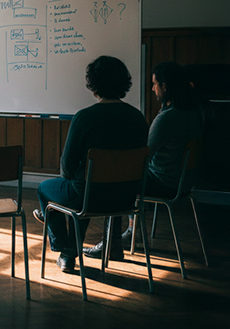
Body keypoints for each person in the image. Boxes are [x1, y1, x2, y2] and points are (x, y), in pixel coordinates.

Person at [33, 56, 148, 271]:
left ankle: (66, 250)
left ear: (93, 84)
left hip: (87, 197)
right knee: (85, 187)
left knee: (45, 190)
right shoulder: (138, 118)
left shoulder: (85, 117)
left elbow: (66, 168)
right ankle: (68, 251)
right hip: (126, 199)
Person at [81, 60, 203, 259]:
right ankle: (130, 230)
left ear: (165, 86)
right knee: (127, 176)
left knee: (116, 180)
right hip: (184, 182)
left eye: (155, 84)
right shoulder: (193, 114)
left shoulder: (168, 118)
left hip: (164, 182)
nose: (153, 88)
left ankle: (112, 244)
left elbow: (143, 152)